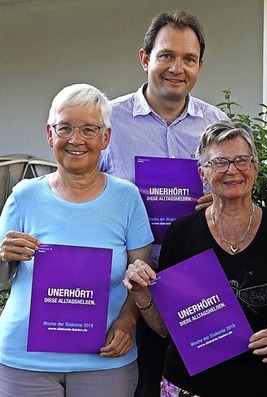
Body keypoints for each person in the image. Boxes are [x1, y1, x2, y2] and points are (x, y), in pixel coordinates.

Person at [123, 120, 267, 397]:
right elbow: (166, 328)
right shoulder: (181, 233)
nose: (232, 170)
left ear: (255, 168)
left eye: (241, 160)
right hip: (190, 386)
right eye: (220, 162)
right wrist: (141, 293)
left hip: (265, 383)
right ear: (202, 173)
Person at [98, 11, 228, 396]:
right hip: (123, 290)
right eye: (166, 55)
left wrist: (218, 202)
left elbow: (239, 193)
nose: (177, 67)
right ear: (145, 59)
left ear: (200, 66)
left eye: (189, 59)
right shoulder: (109, 122)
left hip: (196, 287)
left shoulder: (215, 125)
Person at [0, 83, 153, 397]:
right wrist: (2, 257)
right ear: (50, 134)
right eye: (65, 127)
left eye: (89, 129)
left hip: (104, 358)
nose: (76, 139)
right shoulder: (24, 196)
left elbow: (141, 276)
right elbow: (3, 280)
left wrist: (127, 322)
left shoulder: (127, 199)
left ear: (105, 137)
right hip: (25, 360)